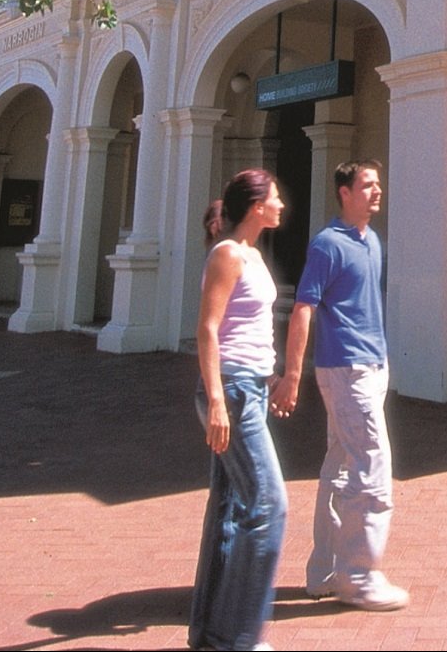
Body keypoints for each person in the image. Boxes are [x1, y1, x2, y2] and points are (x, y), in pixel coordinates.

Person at [277, 160, 408, 612]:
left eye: (378, 185)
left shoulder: (372, 241)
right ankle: (360, 576)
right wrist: (292, 374)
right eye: (367, 185)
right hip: (345, 369)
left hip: (373, 365)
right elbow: (303, 308)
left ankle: (327, 571)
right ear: (345, 193)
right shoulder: (327, 245)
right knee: (372, 465)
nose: (376, 192)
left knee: (341, 464)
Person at [189, 169, 289, 652]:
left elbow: (245, 329)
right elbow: (208, 330)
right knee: (269, 505)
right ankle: (241, 635)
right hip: (230, 392)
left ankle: (209, 631)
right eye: (274, 199)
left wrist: (268, 373)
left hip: (248, 386)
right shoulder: (228, 254)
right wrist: (215, 402)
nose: (280, 206)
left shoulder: (250, 254)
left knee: (229, 509)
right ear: (255, 206)